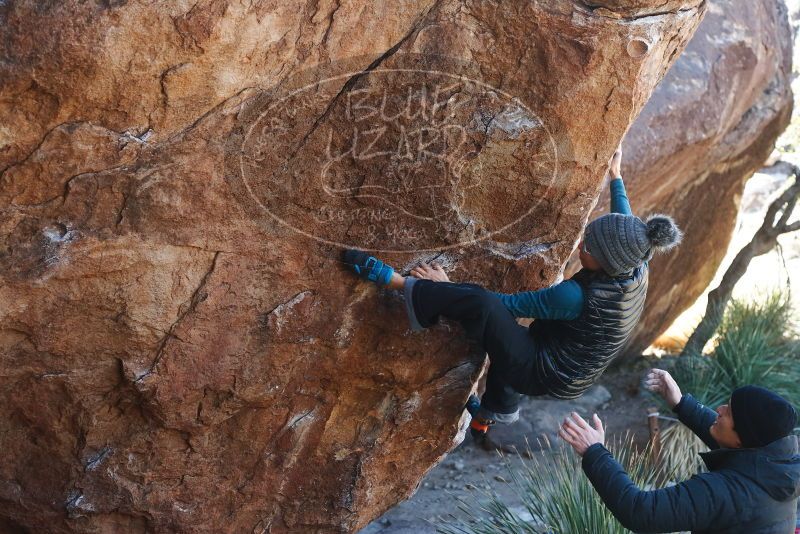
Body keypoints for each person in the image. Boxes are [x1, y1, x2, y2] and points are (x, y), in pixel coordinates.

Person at [342, 146, 682, 440]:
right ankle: (486, 416)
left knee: (487, 309)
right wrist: (615, 174)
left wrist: (445, 287)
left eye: (588, 247)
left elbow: (504, 307)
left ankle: (400, 284)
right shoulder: (635, 259)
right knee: (514, 343)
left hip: (547, 373)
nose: (581, 244)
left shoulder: (574, 297)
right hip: (575, 368)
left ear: (605, 261)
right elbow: (624, 221)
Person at [559, 368, 800, 533]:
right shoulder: (779, 466)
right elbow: (734, 443)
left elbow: (640, 511)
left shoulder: (725, 493)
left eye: (729, 413)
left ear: (742, 440)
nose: (719, 409)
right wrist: (681, 403)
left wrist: (595, 452)